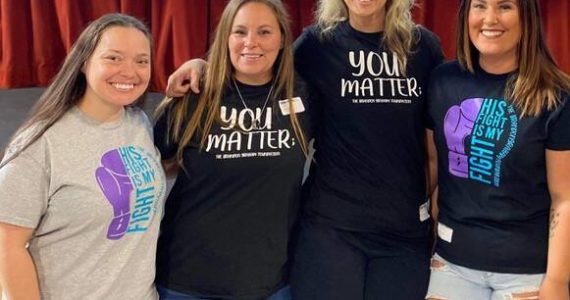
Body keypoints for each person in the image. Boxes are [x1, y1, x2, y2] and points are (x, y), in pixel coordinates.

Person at [166, 0, 444, 299]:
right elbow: (258, 66)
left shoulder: (423, 47)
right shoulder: (317, 44)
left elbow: (434, 142)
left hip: (402, 233)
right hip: (332, 229)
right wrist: (204, 66)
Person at [152, 0, 312, 299]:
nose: (251, 42)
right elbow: (148, 169)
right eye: (240, 32)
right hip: (186, 280)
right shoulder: (195, 96)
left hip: (269, 283)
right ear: (226, 37)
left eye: (264, 32)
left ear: (282, 39)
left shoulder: (303, 96)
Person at [0, 13, 166, 300]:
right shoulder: (41, 144)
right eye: (114, 58)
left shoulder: (138, 124)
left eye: (141, 61)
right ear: (85, 62)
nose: (130, 71)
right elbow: (7, 245)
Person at [425, 0, 570, 299]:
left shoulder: (556, 97)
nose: (490, 19)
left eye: (504, 6)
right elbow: (433, 168)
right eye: (480, 6)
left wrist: (557, 281)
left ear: (526, 17)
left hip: (527, 271)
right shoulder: (442, 81)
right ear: (466, 15)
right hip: (452, 263)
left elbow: (564, 198)